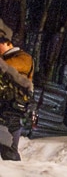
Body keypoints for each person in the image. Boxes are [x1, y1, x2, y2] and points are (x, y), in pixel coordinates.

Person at [0, 23, 33, 161]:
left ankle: (15, 171)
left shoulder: (24, 58)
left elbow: (10, 68)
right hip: (7, 104)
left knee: (9, 144)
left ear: (7, 44)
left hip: (15, 105)